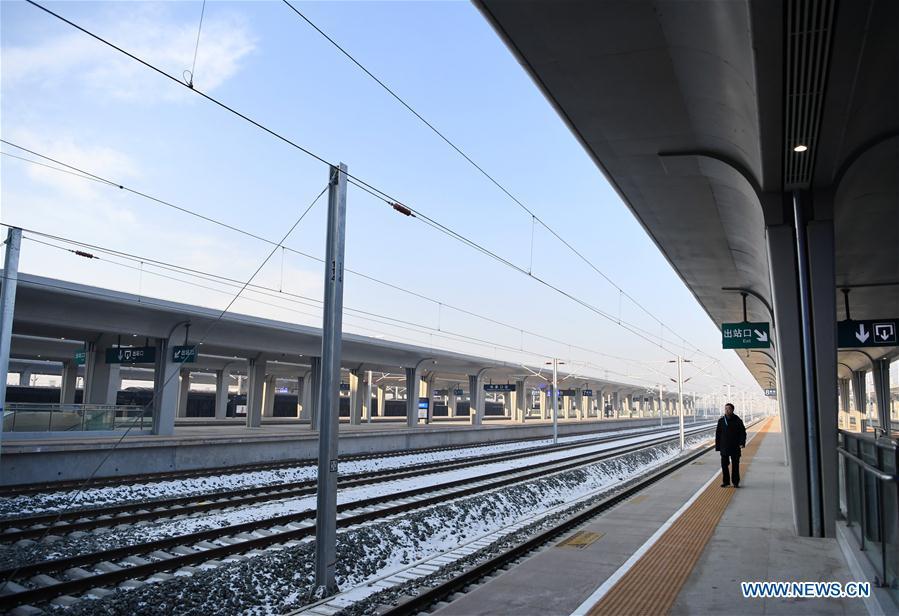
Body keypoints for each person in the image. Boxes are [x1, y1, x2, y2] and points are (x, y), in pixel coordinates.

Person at [715, 403, 746, 487]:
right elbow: (718, 434)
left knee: (735, 465)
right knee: (724, 465)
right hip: (724, 447)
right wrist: (718, 447)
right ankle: (726, 482)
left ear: (732, 410)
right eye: (725, 409)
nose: (726, 410)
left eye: (728, 409)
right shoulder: (721, 421)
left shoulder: (738, 420)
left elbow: (742, 433)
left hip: (735, 447)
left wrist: (742, 443)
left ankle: (735, 482)